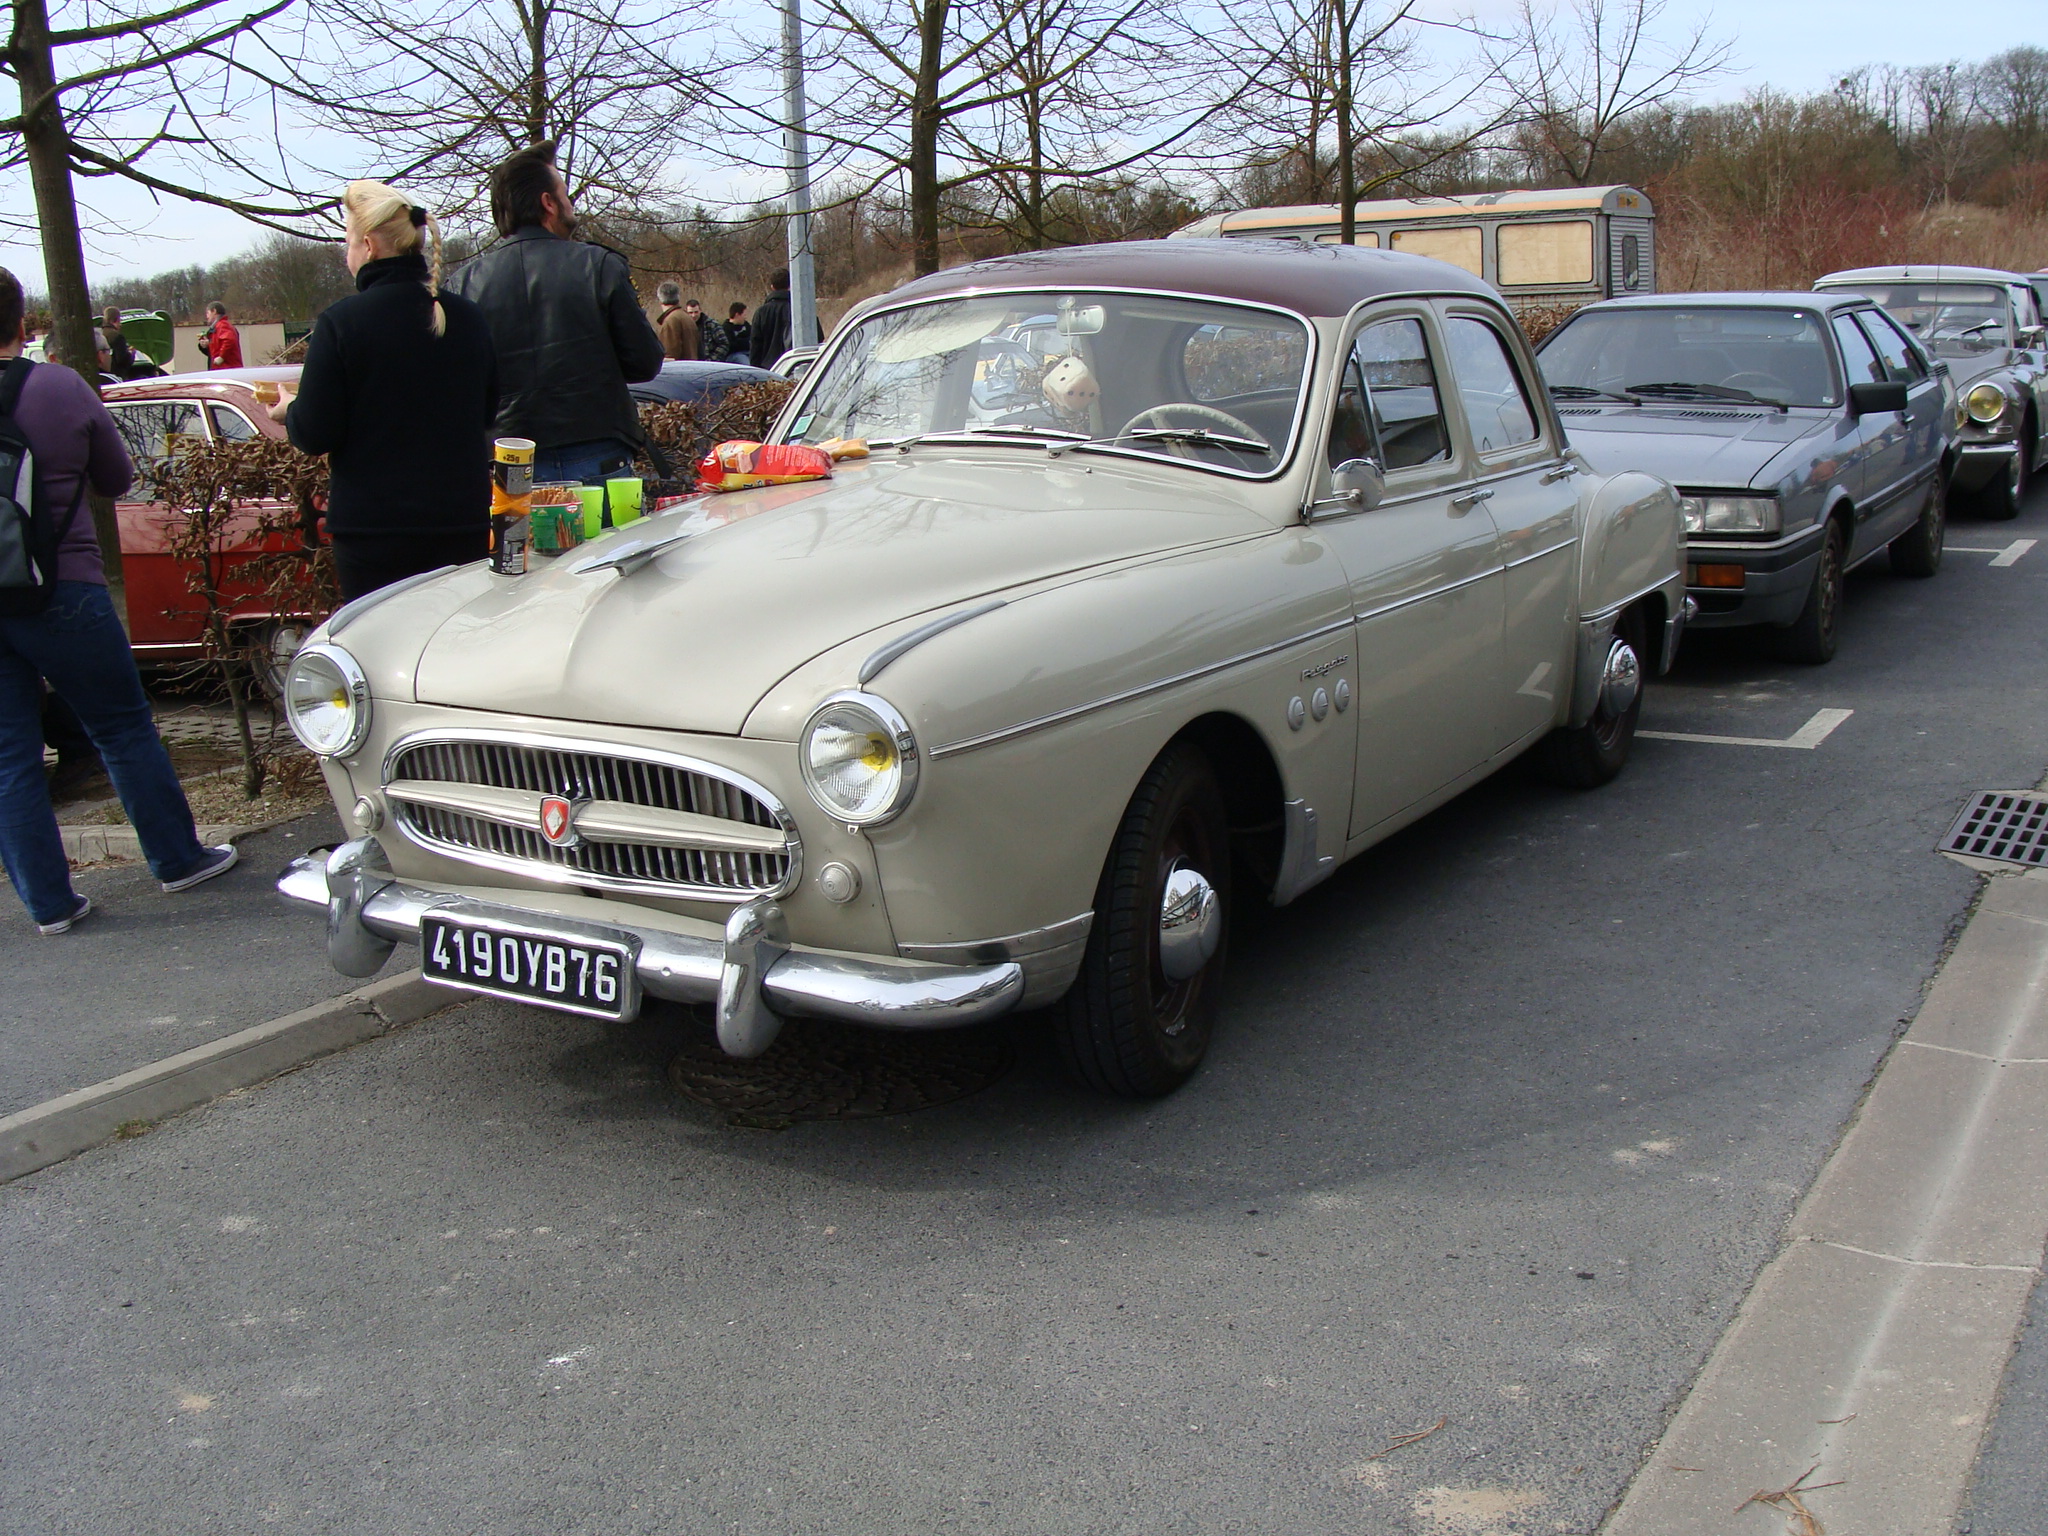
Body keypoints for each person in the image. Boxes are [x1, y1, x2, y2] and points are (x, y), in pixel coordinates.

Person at [0, 266, 238, 934]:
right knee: (122, 727)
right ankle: (178, 859)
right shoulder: (57, 385)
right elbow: (115, 475)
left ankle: (49, 906)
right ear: (21, 321)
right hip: (64, 588)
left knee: (9, 756)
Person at [274, 181, 497, 604]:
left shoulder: (342, 322)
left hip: (374, 533)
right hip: (461, 521)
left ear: (369, 245)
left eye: (348, 241)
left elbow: (316, 432)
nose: (347, 254)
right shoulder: (469, 317)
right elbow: (487, 412)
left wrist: (291, 410)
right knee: (455, 639)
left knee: (378, 641)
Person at [447, 140, 662, 487]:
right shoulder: (598, 266)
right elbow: (644, 362)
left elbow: (461, 386)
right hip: (596, 444)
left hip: (510, 456)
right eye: (564, 193)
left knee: (521, 527)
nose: (570, 203)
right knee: (606, 525)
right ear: (548, 203)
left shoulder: (464, 284)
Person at [752, 268, 793, 370]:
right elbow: (817, 337)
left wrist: (755, 370)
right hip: (795, 366)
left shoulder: (761, 312)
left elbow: (755, 345)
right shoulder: (799, 310)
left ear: (772, 287)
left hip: (768, 368)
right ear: (790, 285)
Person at [654, 280, 695, 361]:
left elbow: (669, 357)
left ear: (660, 300)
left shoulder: (670, 321)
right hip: (692, 367)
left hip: (680, 368)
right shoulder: (686, 316)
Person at [202, 302, 241, 369]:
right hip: (224, 368)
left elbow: (229, 340)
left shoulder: (222, 325)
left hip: (226, 368)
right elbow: (218, 347)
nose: (207, 316)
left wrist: (221, 357)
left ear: (214, 311)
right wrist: (208, 344)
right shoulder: (219, 327)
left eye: (208, 313)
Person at [100, 308, 135, 379]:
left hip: (101, 376)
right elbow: (122, 360)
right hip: (116, 377)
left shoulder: (99, 334)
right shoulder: (117, 337)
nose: (120, 324)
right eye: (119, 321)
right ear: (115, 320)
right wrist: (131, 354)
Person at [724, 302, 752, 367]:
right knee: (746, 363)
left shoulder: (746, 325)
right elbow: (732, 345)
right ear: (737, 315)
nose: (745, 317)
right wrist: (746, 341)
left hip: (748, 352)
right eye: (744, 315)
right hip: (734, 355)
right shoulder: (726, 328)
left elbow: (752, 339)